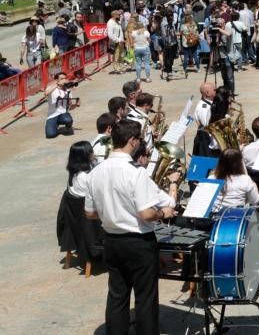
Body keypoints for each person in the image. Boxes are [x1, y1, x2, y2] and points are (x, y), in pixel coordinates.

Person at [85, 120, 180, 335]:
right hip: (138, 242)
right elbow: (146, 213)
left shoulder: (96, 171)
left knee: (117, 296)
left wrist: (113, 212)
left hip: (111, 241)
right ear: (132, 141)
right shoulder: (136, 173)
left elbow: (90, 213)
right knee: (145, 298)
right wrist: (163, 213)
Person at [210, 148, 259, 213]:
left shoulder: (211, 178)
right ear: (239, 163)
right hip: (237, 216)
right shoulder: (246, 179)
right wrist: (254, 185)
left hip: (214, 216)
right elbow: (255, 200)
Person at [44, 72, 78, 138]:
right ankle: (55, 126)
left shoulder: (67, 91)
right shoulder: (52, 88)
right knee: (50, 135)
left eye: (65, 78)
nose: (64, 80)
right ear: (57, 80)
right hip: (52, 115)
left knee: (68, 120)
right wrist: (57, 84)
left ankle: (68, 127)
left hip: (63, 115)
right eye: (62, 79)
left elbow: (69, 107)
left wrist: (76, 104)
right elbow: (46, 93)